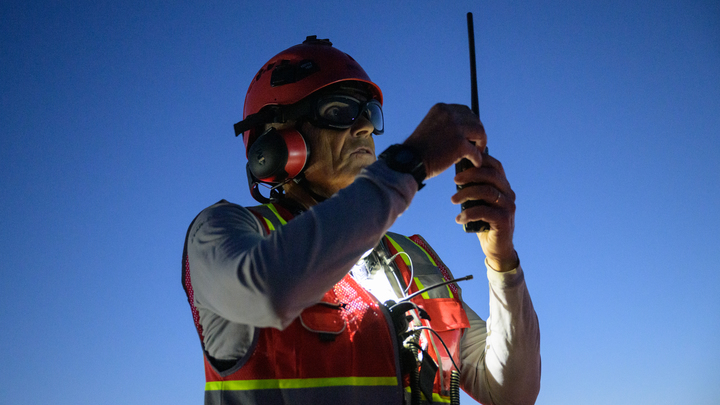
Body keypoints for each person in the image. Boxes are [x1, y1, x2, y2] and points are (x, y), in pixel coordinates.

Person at [182, 36, 540, 405]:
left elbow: (512, 392)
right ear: (276, 143)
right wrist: (410, 161)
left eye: (371, 113)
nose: (365, 127)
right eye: (339, 110)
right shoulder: (220, 232)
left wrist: (503, 262)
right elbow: (266, 290)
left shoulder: (416, 262)